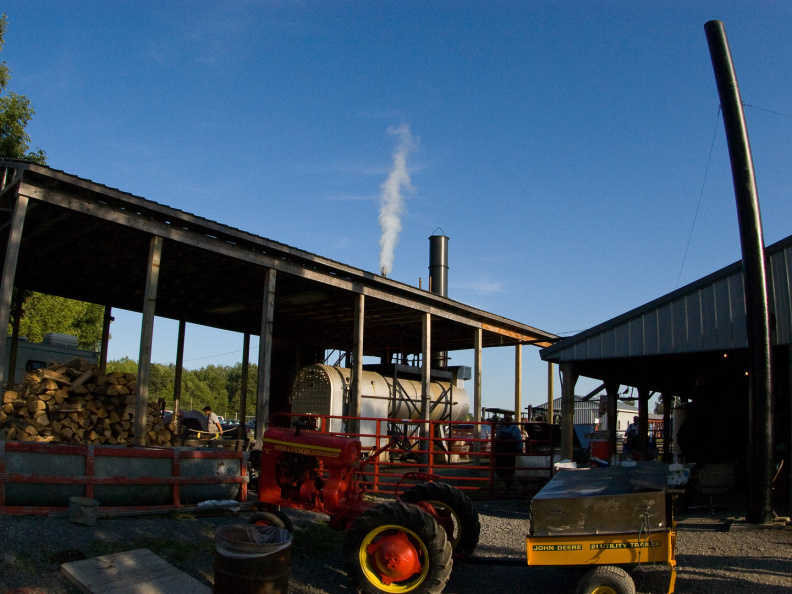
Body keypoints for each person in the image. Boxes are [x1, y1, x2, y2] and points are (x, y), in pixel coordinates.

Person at [494, 412, 524, 483]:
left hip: (510, 451)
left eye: (508, 418)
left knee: (509, 468)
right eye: (506, 418)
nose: (507, 420)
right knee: (498, 467)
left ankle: (508, 483)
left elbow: (519, 440)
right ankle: (506, 481)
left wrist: (519, 449)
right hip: (501, 451)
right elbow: (496, 438)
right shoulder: (501, 428)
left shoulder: (515, 429)